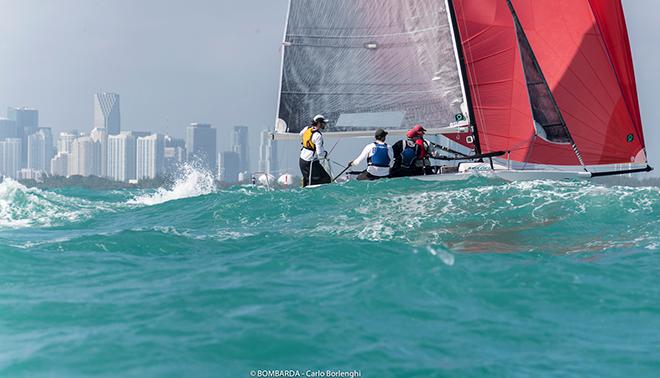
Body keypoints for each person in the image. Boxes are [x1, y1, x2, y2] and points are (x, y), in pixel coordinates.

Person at [299, 114, 332, 187]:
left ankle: (305, 184)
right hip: (310, 162)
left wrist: (305, 142)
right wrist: (325, 154)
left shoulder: (307, 128)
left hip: (302, 160)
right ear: (319, 123)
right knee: (326, 179)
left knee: (310, 182)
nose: (324, 125)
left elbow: (300, 134)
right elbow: (320, 153)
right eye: (323, 123)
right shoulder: (318, 136)